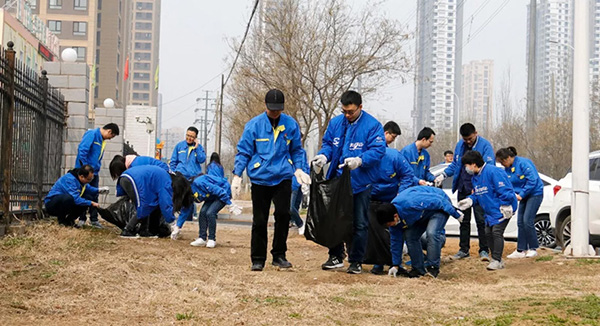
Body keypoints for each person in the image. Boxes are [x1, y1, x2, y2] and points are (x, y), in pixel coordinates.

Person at [232, 89, 310, 271]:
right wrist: (237, 174)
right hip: (260, 178)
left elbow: (297, 149)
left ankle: (279, 255)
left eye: (278, 109)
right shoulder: (254, 125)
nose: (275, 112)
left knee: (283, 215)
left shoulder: (291, 125)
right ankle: (258, 258)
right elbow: (244, 151)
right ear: (266, 106)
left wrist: (299, 168)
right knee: (259, 219)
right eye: (272, 109)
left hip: (283, 176)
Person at [311, 90, 386, 274]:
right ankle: (335, 256)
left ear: (360, 107)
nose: (347, 115)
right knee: (335, 219)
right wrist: (323, 156)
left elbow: (378, 150)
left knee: (360, 223)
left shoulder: (372, 126)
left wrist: (360, 160)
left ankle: (356, 260)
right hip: (338, 181)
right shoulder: (336, 123)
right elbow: (329, 144)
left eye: (350, 111)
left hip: (361, 182)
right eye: (344, 111)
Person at [434, 123, 495, 261]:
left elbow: (489, 167)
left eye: (470, 138)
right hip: (463, 187)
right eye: (465, 139)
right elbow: (455, 164)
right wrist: (443, 175)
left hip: (479, 189)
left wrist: (480, 181)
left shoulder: (485, 146)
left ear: (476, 133)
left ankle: (484, 249)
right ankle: (463, 249)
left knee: (481, 220)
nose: (467, 141)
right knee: (463, 219)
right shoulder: (459, 145)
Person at [375, 186, 464, 278]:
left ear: (395, 216)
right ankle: (418, 269)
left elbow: (438, 200)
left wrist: (456, 214)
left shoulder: (410, 202)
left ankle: (432, 268)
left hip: (439, 206)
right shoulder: (393, 220)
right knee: (410, 237)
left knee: (432, 233)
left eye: (390, 224)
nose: (390, 226)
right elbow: (395, 242)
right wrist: (396, 265)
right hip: (421, 213)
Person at [368, 121, 416, 275]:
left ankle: (393, 262)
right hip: (371, 199)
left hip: (390, 201)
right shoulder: (367, 155)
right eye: (392, 136)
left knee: (393, 232)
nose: (391, 140)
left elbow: (408, 175)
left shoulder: (394, 156)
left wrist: (399, 195)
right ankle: (377, 262)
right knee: (374, 231)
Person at [457, 151, 518, 270]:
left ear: (473, 164)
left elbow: (504, 189)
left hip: (503, 208)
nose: (466, 169)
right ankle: (497, 259)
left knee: (496, 232)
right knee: (488, 233)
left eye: (466, 166)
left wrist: (506, 205)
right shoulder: (475, 178)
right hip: (490, 211)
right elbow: (478, 194)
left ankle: (496, 259)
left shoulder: (493, 172)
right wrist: (470, 200)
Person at [116, 165, 192, 237]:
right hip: (131, 180)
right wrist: (172, 223)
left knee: (150, 204)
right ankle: (127, 230)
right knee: (144, 206)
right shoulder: (166, 181)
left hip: (129, 178)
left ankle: (144, 231)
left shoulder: (165, 176)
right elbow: (165, 204)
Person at [496, 147, 544, 259]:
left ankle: (533, 248)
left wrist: (521, 194)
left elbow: (533, 180)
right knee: (520, 222)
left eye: (503, 161)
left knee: (527, 220)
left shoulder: (524, 163)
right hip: (521, 196)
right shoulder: (507, 169)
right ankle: (521, 249)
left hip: (534, 194)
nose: (503, 164)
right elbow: (508, 183)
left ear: (508, 158)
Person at [75, 123, 119, 228]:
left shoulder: (101, 140)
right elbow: (82, 151)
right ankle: (82, 218)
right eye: (112, 136)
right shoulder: (92, 134)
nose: (110, 139)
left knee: (94, 195)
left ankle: (94, 219)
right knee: (84, 193)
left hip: (94, 172)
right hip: (85, 171)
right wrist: (85, 169)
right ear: (109, 131)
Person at [184, 174, 240, 247]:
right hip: (212, 196)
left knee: (210, 213)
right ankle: (202, 238)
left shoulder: (199, 183)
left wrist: (230, 204)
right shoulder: (189, 192)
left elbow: (218, 190)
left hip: (223, 191)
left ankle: (211, 239)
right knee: (202, 213)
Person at [289, 149, 309, 235]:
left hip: (296, 183)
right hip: (287, 182)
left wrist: (305, 179)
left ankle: (298, 222)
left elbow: (305, 166)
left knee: (293, 205)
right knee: (291, 206)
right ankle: (297, 222)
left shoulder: (301, 152)